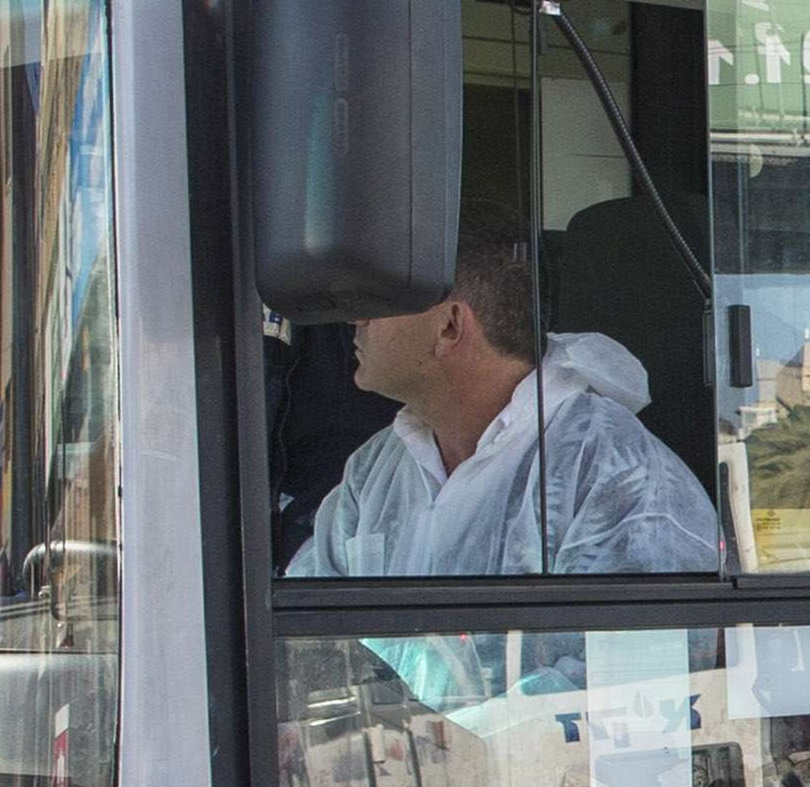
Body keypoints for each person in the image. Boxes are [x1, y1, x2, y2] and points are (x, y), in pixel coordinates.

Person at [289, 224, 723, 578]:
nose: (355, 319)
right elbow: (312, 631)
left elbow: (638, 668)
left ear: (450, 327)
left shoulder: (616, 472)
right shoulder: (377, 466)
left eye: (379, 302)